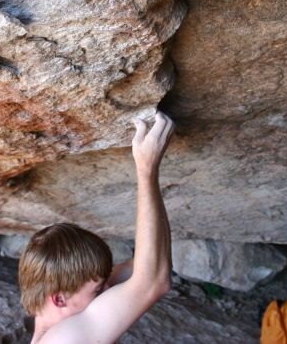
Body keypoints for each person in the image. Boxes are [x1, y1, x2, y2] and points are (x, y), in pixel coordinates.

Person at [18, 110, 176, 344]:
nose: (107, 292)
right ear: (59, 299)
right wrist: (146, 169)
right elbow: (154, 280)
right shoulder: (63, 340)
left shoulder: (62, 313)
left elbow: (151, 264)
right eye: (98, 290)